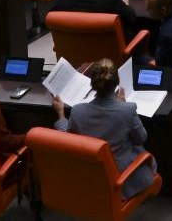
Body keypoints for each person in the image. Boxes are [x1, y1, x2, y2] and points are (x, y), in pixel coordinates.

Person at [52, 60, 154, 197]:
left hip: (89, 177)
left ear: (92, 84)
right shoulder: (127, 110)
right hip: (120, 180)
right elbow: (140, 139)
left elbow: (67, 139)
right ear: (117, 83)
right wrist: (122, 107)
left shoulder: (77, 111)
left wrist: (61, 114)